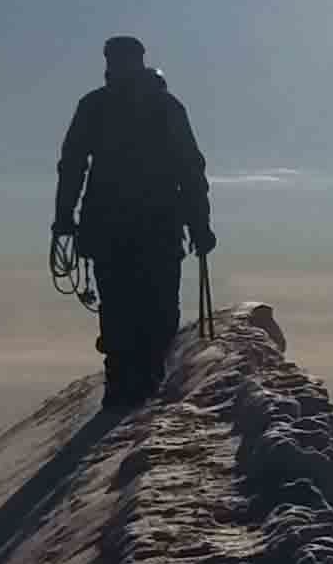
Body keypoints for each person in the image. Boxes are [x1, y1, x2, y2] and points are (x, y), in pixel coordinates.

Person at [52, 33, 214, 407]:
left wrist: (64, 217)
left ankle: (130, 383)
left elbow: (73, 165)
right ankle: (136, 382)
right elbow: (189, 169)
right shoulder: (162, 107)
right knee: (144, 305)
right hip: (151, 226)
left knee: (126, 305)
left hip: (118, 226)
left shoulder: (98, 106)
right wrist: (199, 224)